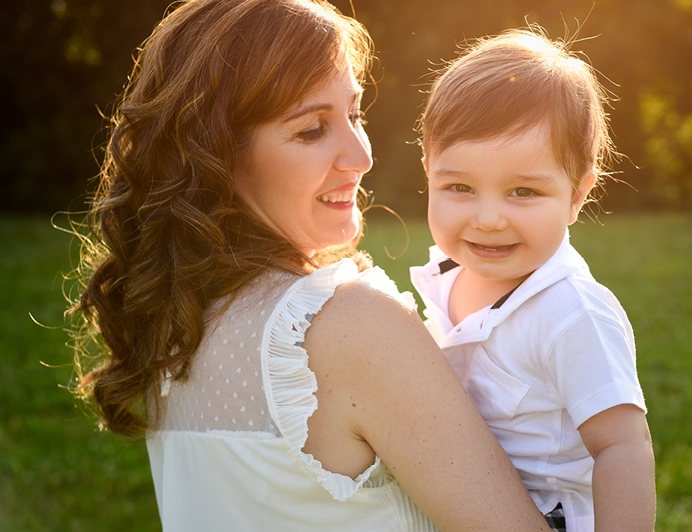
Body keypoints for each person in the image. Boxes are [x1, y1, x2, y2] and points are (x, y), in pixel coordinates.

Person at [67, 2, 553, 531]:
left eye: (355, 113)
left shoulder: (173, 329)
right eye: (311, 129)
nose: (361, 154)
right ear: (218, 154)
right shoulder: (347, 324)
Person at [410, 29, 656, 532]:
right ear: (428, 172)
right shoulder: (448, 276)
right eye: (459, 187)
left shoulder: (571, 314)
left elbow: (621, 446)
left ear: (576, 195)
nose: (489, 218)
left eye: (522, 192)